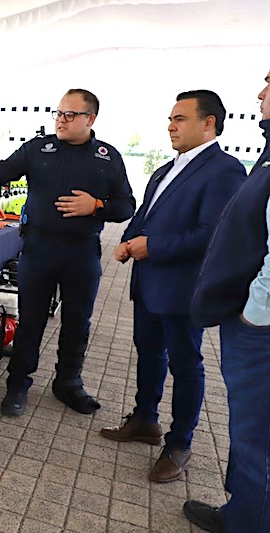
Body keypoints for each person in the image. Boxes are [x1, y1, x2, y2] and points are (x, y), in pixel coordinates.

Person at [0, 89, 136, 416]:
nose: (61, 120)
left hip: (82, 252)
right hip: (39, 248)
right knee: (31, 319)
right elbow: (0, 171)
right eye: (58, 113)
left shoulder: (107, 157)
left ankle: (68, 383)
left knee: (78, 322)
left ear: (90, 119)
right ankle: (18, 385)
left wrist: (96, 206)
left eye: (70, 115)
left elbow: (126, 206)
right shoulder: (39, 149)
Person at [100, 91, 246, 484]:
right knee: (148, 352)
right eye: (170, 118)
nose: (171, 126)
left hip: (182, 288)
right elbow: (146, 213)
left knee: (185, 364)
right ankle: (145, 420)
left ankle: (180, 443)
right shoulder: (167, 168)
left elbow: (212, 233)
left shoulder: (225, 170)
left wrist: (154, 246)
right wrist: (130, 240)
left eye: (180, 118)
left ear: (208, 123)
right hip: (148, 282)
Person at [183, 71, 270, 533]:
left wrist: (252, 312)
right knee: (250, 430)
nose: (260, 93)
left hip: (261, 329)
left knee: (258, 435)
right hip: (253, 323)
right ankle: (243, 512)